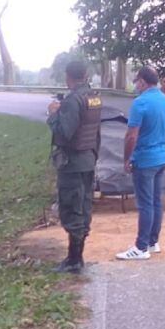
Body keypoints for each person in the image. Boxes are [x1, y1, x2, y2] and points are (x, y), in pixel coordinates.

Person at [47, 60, 102, 273]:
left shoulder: (73, 100)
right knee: (84, 206)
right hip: (88, 159)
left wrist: (53, 115)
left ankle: (74, 259)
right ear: (86, 74)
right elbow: (96, 132)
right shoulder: (93, 97)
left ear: (68, 77)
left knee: (71, 207)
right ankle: (76, 256)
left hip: (73, 163)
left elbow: (64, 133)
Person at [117, 66, 165, 261]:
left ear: (142, 81)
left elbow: (131, 135)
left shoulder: (140, 103)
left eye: (136, 82)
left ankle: (141, 247)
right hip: (162, 156)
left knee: (145, 204)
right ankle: (152, 241)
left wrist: (126, 159)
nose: (135, 85)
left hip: (144, 158)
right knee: (156, 201)